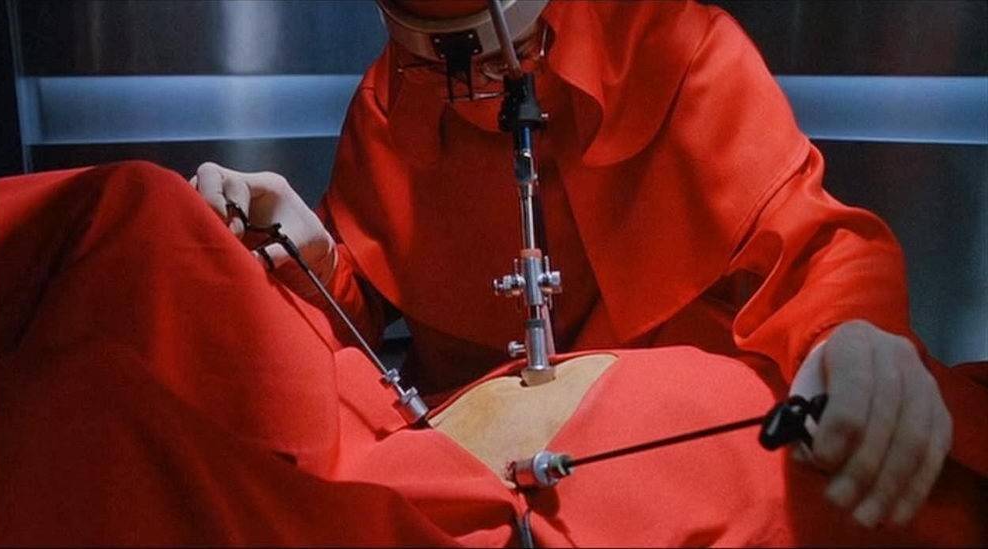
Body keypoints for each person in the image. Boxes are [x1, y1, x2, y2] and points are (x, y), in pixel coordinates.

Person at [189, 0, 985, 532]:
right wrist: (317, 254)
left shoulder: (675, 46)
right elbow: (358, 317)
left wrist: (852, 336)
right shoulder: (391, 104)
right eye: (438, 66)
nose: (476, 93)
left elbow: (816, 252)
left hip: (689, 491)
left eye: (490, 62)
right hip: (483, 498)